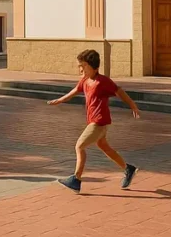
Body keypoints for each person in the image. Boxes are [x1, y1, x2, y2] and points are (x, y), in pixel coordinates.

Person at [47, 49, 141, 194]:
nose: (80, 69)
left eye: (83, 66)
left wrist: (132, 105)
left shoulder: (102, 81)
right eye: (80, 66)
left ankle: (76, 179)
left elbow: (119, 91)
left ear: (95, 67)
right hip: (94, 121)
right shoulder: (85, 81)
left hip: (99, 122)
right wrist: (59, 100)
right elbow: (72, 93)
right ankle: (128, 168)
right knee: (104, 147)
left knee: (79, 146)